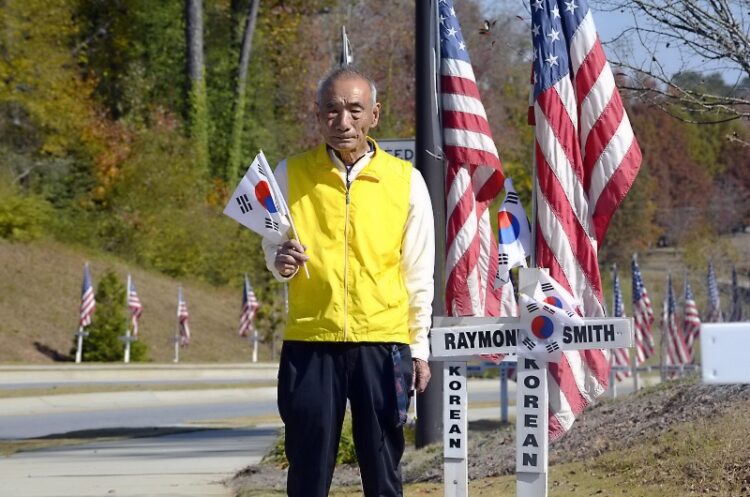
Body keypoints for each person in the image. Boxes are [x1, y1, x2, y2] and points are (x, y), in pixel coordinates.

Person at [261, 66, 435, 497]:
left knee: (383, 471)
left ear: (374, 115)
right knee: (306, 468)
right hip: (310, 339)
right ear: (317, 115)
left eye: (355, 110)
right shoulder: (288, 173)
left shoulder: (406, 182)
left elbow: (418, 273)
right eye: (332, 110)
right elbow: (273, 249)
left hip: (384, 341)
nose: (344, 122)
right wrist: (279, 261)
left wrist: (419, 349)